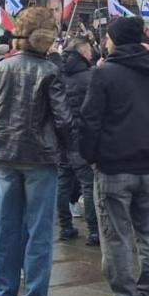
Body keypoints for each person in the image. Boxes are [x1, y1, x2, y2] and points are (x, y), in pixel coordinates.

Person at [80, 16, 149, 296]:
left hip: (114, 166)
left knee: (117, 236)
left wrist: (93, 155)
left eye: (108, 37)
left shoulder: (105, 73)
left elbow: (89, 120)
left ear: (115, 40)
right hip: (148, 166)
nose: (105, 42)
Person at [0, 7, 70, 296]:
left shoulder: (1, 68)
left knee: (4, 231)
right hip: (40, 158)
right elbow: (63, 119)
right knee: (38, 233)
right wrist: (68, 150)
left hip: (4, 155)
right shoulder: (50, 71)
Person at [55, 37, 98, 245]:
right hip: (82, 138)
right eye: (89, 50)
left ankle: (65, 226)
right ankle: (94, 230)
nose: (91, 54)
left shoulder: (58, 74)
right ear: (81, 52)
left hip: (62, 138)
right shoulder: (90, 77)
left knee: (63, 182)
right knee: (88, 185)